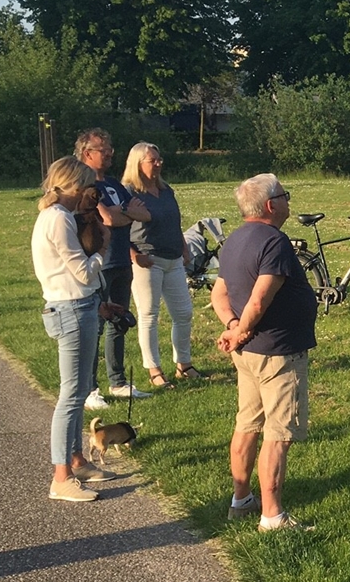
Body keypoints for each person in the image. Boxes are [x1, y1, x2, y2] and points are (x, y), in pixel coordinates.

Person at [210, 174, 319, 532]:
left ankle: (240, 500)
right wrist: (239, 329)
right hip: (277, 351)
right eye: (285, 196)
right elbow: (260, 298)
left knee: (247, 423)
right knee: (278, 432)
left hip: (249, 352)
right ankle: (272, 516)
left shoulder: (234, 240)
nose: (289, 201)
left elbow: (219, 295)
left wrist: (232, 329)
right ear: (272, 205)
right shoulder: (275, 242)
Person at [31, 156, 120, 501]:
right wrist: (104, 248)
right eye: (86, 185)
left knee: (80, 390)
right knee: (70, 395)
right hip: (69, 310)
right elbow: (83, 272)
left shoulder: (59, 217)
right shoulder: (57, 220)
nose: (90, 192)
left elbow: (78, 278)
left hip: (78, 305)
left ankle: (77, 460)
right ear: (72, 186)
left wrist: (97, 300)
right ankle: (60, 477)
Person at [76, 129, 150, 409]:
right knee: (95, 325)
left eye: (110, 150)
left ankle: (117, 381)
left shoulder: (114, 185)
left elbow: (144, 214)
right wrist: (125, 213)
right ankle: (89, 387)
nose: (109, 155)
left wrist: (125, 214)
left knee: (119, 321)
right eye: (102, 150)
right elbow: (107, 218)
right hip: (99, 262)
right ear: (87, 153)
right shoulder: (84, 185)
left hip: (122, 259)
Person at [124, 142, 200, 388]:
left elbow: (174, 221)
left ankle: (184, 365)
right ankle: (154, 370)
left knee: (184, 313)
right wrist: (134, 255)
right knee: (149, 315)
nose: (158, 164)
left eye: (159, 159)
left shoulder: (166, 190)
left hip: (173, 258)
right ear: (138, 164)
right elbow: (117, 231)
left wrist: (183, 246)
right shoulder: (129, 192)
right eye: (152, 160)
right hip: (147, 260)